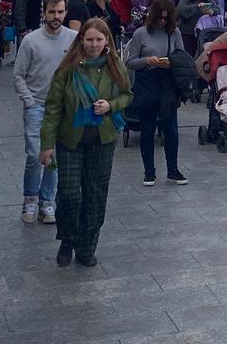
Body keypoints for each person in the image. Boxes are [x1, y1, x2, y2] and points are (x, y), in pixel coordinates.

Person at [38, 18, 132, 267]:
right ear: (81, 40)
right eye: (89, 39)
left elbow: (127, 94)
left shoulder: (115, 66)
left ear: (107, 42)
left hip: (103, 139)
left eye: (99, 40)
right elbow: (53, 107)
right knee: (69, 194)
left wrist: (111, 105)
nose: (94, 45)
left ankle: (87, 245)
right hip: (71, 138)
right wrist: (46, 144)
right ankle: (67, 238)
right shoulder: (67, 69)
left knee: (95, 195)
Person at [14, 0, 76, 224]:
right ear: (44, 13)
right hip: (37, 106)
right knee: (34, 154)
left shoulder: (73, 39)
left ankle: (47, 201)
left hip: (63, 108)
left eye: (60, 12)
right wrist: (28, 100)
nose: (56, 16)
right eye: (52, 12)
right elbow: (19, 75)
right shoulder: (31, 41)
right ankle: (30, 198)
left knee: (55, 156)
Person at [123, 0, 187, 186]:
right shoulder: (141, 34)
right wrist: (147, 61)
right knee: (148, 129)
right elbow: (130, 61)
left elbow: (182, 57)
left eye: (166, 19)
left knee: (171, 130)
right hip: (147, 81)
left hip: (167, 83)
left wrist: (171, 62)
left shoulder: (174, 33)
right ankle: (149, 171)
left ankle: (173, 170)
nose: (162, 22)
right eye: (160, 18)